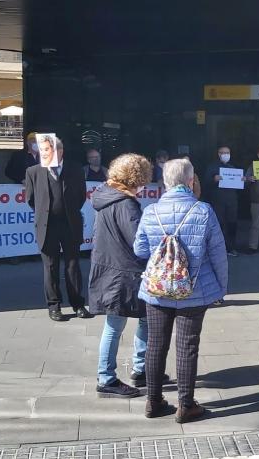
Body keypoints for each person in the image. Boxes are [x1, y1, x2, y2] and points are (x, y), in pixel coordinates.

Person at [134, 158, 227, 422]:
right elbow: (218, 253)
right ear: (190, 181)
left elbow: (139, 250)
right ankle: (186, 405)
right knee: (188, 346)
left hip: (157, 290)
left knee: (155, 344)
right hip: (194, 290)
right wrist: (221, 287)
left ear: (165, 182)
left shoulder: (150, 211)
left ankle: (153, 401)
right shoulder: (204, 210)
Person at [89, 154, 167, 398]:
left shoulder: (105, 195)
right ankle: (107, 377)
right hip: (125, 273)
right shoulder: (126, 203)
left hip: (110, 268)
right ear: (136, 179)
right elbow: (137, 241)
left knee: (138, 319)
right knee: (117, 324)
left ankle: (140, 369)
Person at [25, 137, 92, 322]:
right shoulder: (34, 171)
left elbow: (81, 196)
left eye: (50, 149)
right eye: (43, 149)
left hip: (70, 223)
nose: (45, 153)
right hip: (47, 225)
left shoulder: (75, 169)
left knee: (72, 265)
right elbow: (30, 199)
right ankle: (54, 306)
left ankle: (78, 304)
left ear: (60, 151)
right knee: (50, 266)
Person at [205, 146, 242, 257]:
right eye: (223, 153)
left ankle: (231, 248)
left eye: (228, 153)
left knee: (232, 225)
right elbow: (206, 182)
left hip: (231, 201)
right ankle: (217, 249)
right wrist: (213, 179)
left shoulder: (232, 167)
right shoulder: (212, 167)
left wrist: (242, 180)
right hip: (218, 201)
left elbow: (237, 184)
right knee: (218, 226)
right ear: (219, 154)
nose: (226, 155)